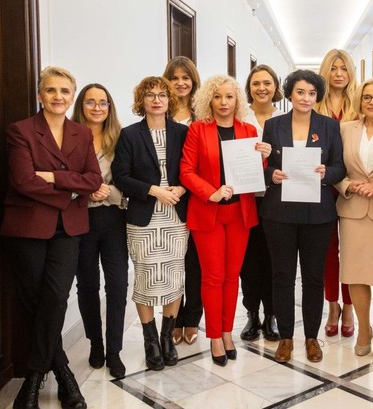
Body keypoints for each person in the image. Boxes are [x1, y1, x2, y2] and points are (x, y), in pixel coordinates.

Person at [2, 66, 102, 409]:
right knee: (36, 302)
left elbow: (93, 180)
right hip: (28, 227)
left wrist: (54, 177)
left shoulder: (82, 133)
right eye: (50, 90)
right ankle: (63, 374)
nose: (58, 96)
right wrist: (70, 190)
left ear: (71, 97)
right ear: (39, 95)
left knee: (56, 298)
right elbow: (24, 181)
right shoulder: (21, 131)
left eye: (64, 91)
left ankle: (33, 380)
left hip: (67, 230)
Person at [180, 74, 271, 366]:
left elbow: (254, 171)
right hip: (208, 213)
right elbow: (186, 172)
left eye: (229, 96)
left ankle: (228, 332)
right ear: (209, 99)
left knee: (232, 277)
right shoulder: (198, 129)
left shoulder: (248, 130)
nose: (223, 102)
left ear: (237, 100)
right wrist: (211, 192)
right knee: (213, 277)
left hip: (240, 213)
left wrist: (265, 156)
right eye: (217, 96)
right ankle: (215, 337)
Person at [261, 69, 346, 363]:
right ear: (290, 94)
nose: (306, 98)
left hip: (317, 213)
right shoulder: (274, 125)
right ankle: (286, 337)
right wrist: (272, 174)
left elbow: (339, 167)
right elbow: (265, 165)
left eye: (311, 93)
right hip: (279, 212)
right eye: (300, 92)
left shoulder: (329, 126)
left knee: (313, 277)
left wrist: (326, 173)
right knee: (282, 276)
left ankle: (311, 337)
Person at [111, 76, 189, 371]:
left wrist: (182, 187)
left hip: (175, 217)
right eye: (150, 95)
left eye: (162, 95)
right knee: (145, 277)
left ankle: (167, 338)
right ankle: (150, 340)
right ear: (141, 101)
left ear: (170, 100)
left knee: (174, 276)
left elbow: (193, 168)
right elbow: (121, 176)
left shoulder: (182, 132)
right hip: (144, 217)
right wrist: (153, 190)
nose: (157, 100)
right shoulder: (130, 135)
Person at [335, 78, 373, 361]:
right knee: (355, 274)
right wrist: (346, 185)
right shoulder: (344, 129)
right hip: (352, 210)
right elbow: (334, 166)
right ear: (359, 100)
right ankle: (363, 328)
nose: (372, 102)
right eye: (367, 97)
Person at [70, 83, 128, 379]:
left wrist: (109, 193)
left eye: (103, 102)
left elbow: (130, 178)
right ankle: (96, 342)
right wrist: (86, 190)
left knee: (117, 285)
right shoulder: (68, 137)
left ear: (109, 107)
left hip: (114, 219)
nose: (97, 107)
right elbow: (63, 178)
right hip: (80, 219)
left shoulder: (121, 137)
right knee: (87, 284)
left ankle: (114, 350)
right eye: (90, 102)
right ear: (81, 105)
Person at [315, 48, 359, 337]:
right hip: (321, 186)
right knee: (327, 251)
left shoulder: (359, 103)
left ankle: (350, 305)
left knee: (351, 250)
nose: (339, 74)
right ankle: (333, 305)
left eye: (344, 68)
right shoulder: (314, 104)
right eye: (333, 68)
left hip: (353, 186)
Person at [239, 65, 284, 342]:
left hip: (275, 198)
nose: (262, 88)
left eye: (267, 83)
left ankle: (271, 315)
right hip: (245, 199)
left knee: (273, 260)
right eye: (256, 83)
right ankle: (252, 314)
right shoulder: (239, 116)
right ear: (249, 88)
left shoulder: (284, 119)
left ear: (275, 87)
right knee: (248, 262)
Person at [163, 56, 203, 346]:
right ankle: (173, 319)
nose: (180, 83)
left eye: (185, 78)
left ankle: (192, 318)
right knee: (172, 261)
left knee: (196, 262)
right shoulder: (159, 111)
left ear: (193, 81)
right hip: (166, 197)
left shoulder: (203, 114)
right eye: (174, 78)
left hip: (198, 195)